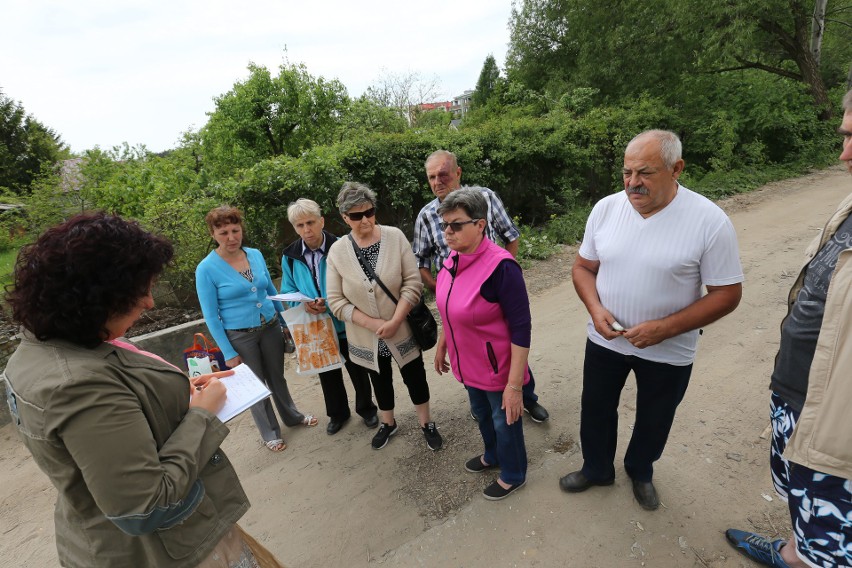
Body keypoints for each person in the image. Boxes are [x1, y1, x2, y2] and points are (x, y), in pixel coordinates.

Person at [3, 213, 284, 567]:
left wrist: (172, 392)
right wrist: (201, 415)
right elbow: (145, 505)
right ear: (97, 297)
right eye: (140, 291)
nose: (149, 302)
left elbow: (115, 422)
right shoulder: (78, 386)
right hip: (168, 551)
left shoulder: (42, 349)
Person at [559, 130, 743, 510]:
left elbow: (727, 295)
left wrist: (665, 329)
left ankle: (640, 470)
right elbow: (582, 268)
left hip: (670, 349)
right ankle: (596, 469)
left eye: (644, 173)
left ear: (677, 169)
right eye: (627, 173)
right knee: (595, 407)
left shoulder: (709, 221)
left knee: (655, 418)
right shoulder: (606, 209)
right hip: (605, 340)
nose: (632, 183)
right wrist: (596, 310)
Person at [725, 91, 852, 567]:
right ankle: (794, 554)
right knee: (803, 505)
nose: (844, 154)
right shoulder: (849, 202)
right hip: (799, 399)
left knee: (836, 542)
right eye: (846, 137)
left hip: (841, 433)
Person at [412, 149, 550, 424]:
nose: (438, 181)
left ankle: (527, 397)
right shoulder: (426, 216)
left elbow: (510, 235)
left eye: (443, 174)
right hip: (459, 300)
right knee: (469, 354)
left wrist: (505, 275)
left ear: (458, 173)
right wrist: (441, 287)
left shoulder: (486, 198)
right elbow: (421, 261)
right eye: (431, 177)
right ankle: (483, 405)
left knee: (510, 344)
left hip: (491, 293)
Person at [326, 182, 443, 451]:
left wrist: (394, 320)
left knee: (415, 376)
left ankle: (426, 422)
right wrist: (375, 324)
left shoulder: (395, 237)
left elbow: (412, 283)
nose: (365, 219)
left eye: (369, 212)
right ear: (345, 218)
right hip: (366, 334)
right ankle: (388, 422)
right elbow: (335, 300)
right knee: (379, 380)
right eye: (356, 216)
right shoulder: (337, 252)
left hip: (402, 327)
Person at [434, 189, 531, 501]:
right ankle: (493, 455)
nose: (448, 231)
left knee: (505, 421)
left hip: (496, 368)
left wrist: (514, 386)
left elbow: (521, 329)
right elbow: (449, 307)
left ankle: (514, 473)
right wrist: (442, 344)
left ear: (480, 225)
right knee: (481, 414)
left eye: (456, 225)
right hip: (467, 364)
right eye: (445, 225)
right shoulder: (451, 260)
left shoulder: (501, 268)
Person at [196, 205, 317, 453]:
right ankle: (270, 432)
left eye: (235, 230)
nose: (231, 237)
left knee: (277, 377)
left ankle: (292, 416)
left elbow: (271, 292)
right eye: (223, 233)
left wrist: (285, 322)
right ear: (213, 234)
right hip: (241, 336)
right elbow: (211, 315)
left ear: (241, 229)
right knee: (255, 386)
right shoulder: (206, 269)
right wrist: (228, 352)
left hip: (270, 327)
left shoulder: (254, 254)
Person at [280, 198, 380, 435]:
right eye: (300, 225)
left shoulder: (342, 245)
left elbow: (356, 281)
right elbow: (287, 290)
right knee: (327, 373)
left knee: (358, 368)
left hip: (345, 321)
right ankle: (337, 414)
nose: (307, 229)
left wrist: (331, 300)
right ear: (294, 228)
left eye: (311, 222)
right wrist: (303, 304)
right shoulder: (290, 256)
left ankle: (367, 409)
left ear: (321, 221)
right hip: (316, 326)